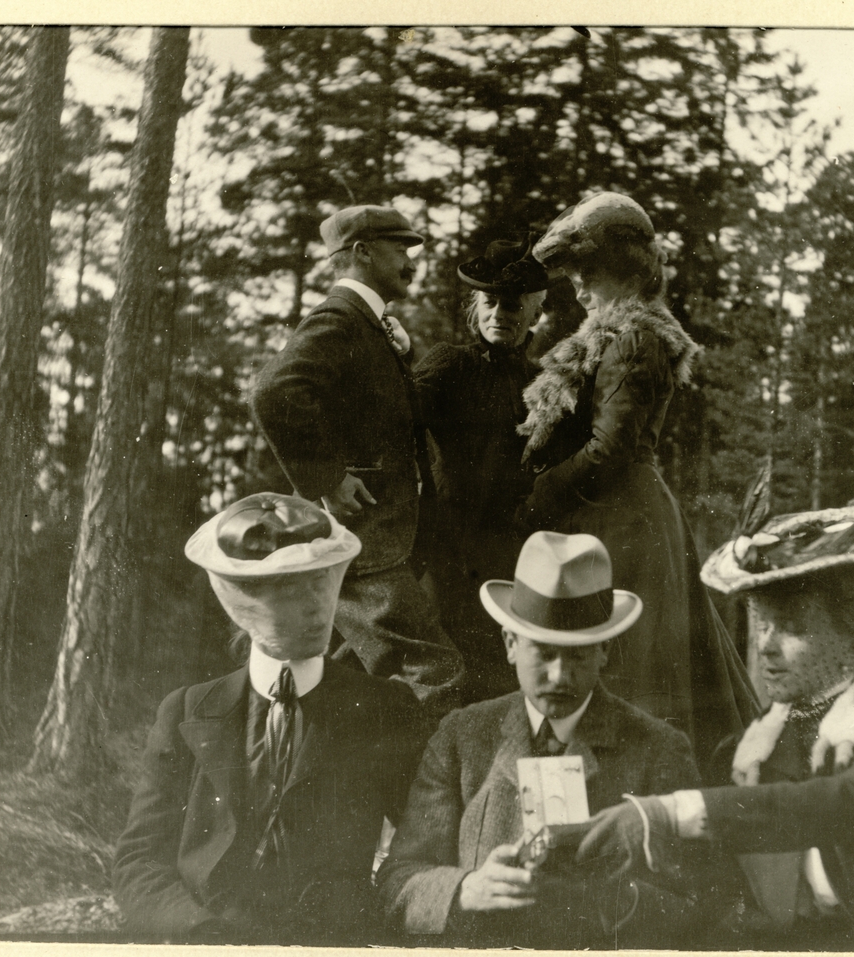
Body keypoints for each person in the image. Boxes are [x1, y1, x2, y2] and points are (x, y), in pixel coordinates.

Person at [575, 483, 854, 949]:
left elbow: (850, 801)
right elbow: (712, 906)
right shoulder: (744, 754)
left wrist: (671, 811)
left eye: (793, 628)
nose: (766, 646)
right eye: (763, 624)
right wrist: (611, 897)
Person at [113, 493, 429, 945]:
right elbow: (139, 861)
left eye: (318, 583)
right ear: (242, 598)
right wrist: (200, 933)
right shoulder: (186, 710)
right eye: (285, 588)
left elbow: (422, 850)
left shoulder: (383, 709)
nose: (311, 604)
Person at [377, 531, 706, 949]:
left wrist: (613, 902)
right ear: (510, 644)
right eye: (544, 652)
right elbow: (395, 880)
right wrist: (465, 889)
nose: (559, 675)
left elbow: (702, 905)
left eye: (580, 655)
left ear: (605, 650)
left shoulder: (658, 750)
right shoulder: (462, 739)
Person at [522, 191, 757, 774]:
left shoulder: (634, 337)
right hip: (617, 508)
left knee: (629, 661)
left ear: (622, 274)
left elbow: (610, 450)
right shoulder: (616, 333)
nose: (578, 289)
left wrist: (538, 495)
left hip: (620, 516)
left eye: (589, 275)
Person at [251, 205, 463, 716]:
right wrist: (328, 478)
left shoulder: (371, 325)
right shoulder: (340, 316)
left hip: (378, 535)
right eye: (401, 249)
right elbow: (275, 391)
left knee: (342, 672)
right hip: (363, 537)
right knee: (435, 674)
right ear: (363, 252)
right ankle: (424, 792)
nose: (412, 261)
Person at [413, 236, 549, 702]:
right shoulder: (449, 364)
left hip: (511, 551)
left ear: (534, 313)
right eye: (490, 303)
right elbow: (395, 419)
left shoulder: (541, 382)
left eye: (512, 306)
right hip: (447, 549)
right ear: (476, 307)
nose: (499, 315)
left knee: (502, 674)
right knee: (443, 672)